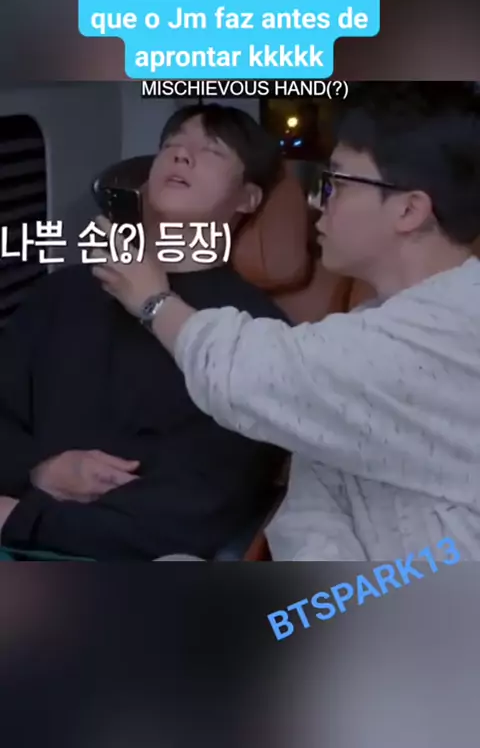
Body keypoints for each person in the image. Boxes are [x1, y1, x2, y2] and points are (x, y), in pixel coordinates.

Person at [56, 82, 480, 562]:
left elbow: (250, 373)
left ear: (408, 209)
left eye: (336, 183)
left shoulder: (455, 333)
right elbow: (312, 501)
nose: (317, 201)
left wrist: (154, 301)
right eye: (170, 146)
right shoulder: (373, 324)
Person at [0, 104, 288, 560]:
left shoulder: (258, 335)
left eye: (212, 151)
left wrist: (20, 518)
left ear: (248, 198)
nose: (181, 155)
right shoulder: (62, 291)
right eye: (171, 145)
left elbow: (196, 515)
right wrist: (40, 470)